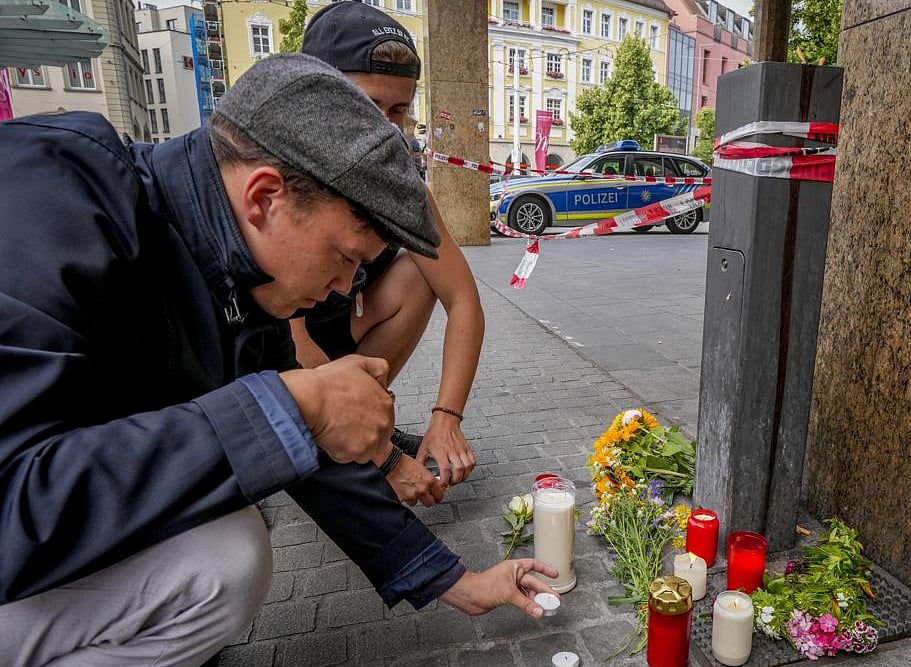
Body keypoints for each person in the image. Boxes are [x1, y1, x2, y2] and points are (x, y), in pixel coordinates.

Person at [0, 54, 557, 666]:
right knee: (226, 558)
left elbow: (315, 457)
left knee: (227, 537)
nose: (345, 287)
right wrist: (292, 406)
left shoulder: (232, 271)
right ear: (264, 196)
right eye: (344, 257)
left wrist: (454, 581)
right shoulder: (49, 200)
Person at [296, 1, 484, 503]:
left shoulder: (403, 186)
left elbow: (463, 299)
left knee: (422, 274)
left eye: (398, 112)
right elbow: (288, 344)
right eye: (366, 105)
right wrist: (382, 455)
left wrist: (446, 418)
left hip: (342, 326)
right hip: (280, 354)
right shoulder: (287, 182)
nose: (382, 130)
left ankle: (358, 417)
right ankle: (323, 435)